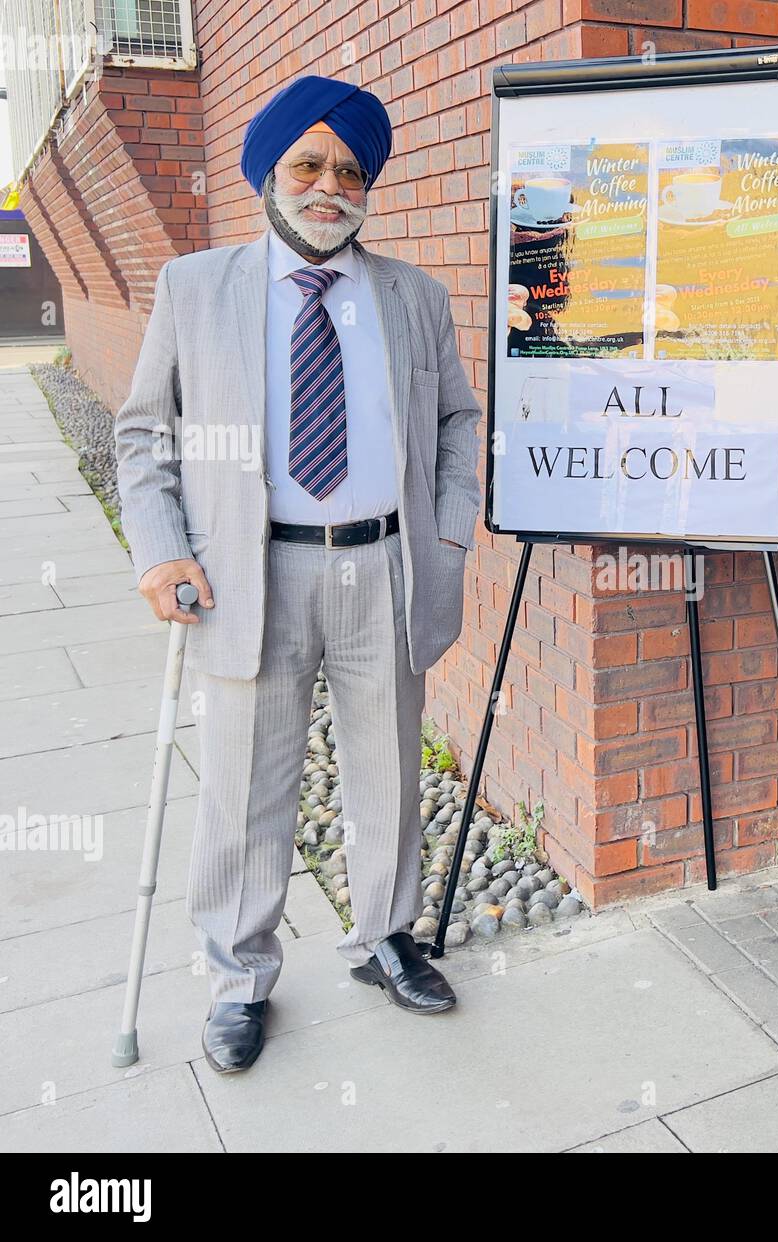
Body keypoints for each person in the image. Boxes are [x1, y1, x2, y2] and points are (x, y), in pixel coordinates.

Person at [115, 74, 482, 1074]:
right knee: (243, 785)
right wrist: (162, 548)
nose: (330, 185)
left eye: (349, 170)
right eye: (308, 165)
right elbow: (144, 434)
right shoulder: (196, 288)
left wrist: (449, 533)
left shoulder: (412, 295)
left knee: (388, 770)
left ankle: (384, 938)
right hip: (251, 571)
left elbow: (457, 422)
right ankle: (238, 975)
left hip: (384, 566)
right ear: (268, 175)